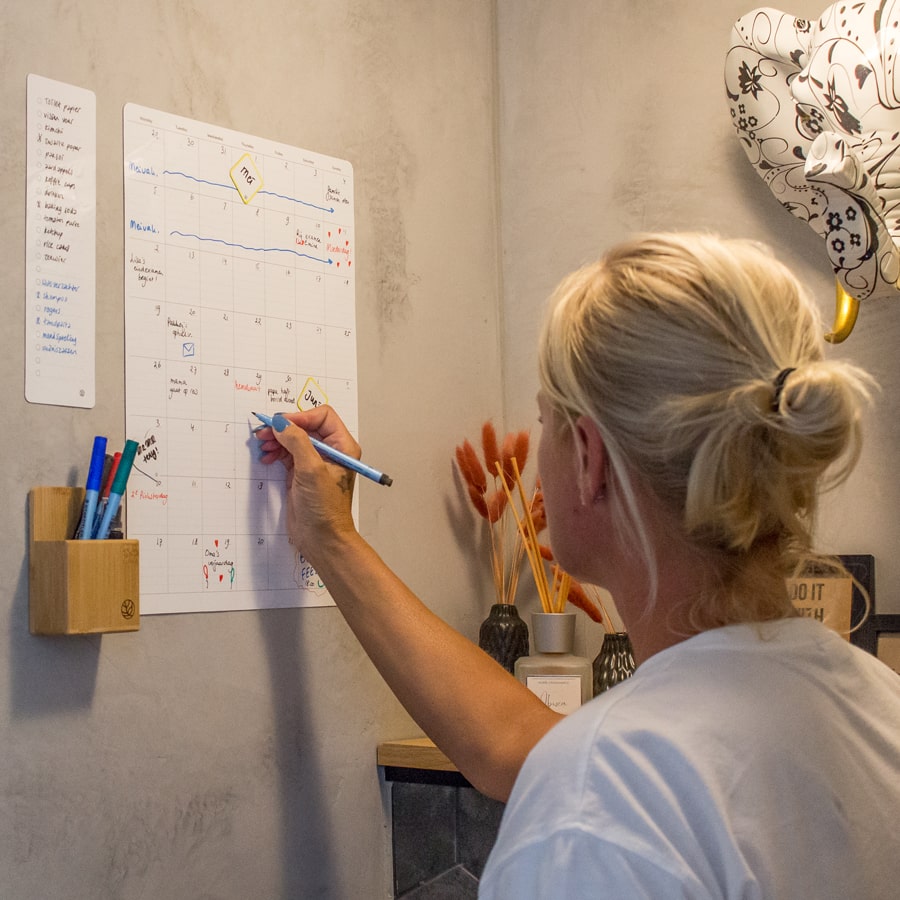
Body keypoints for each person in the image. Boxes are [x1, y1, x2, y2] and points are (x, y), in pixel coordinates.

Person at [255, 232, 900, 899]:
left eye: (545, 422)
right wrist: (334, 540)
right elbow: (518, 743)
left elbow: (595, 778)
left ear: (589, 458)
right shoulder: (875, 705)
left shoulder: (595, 808)